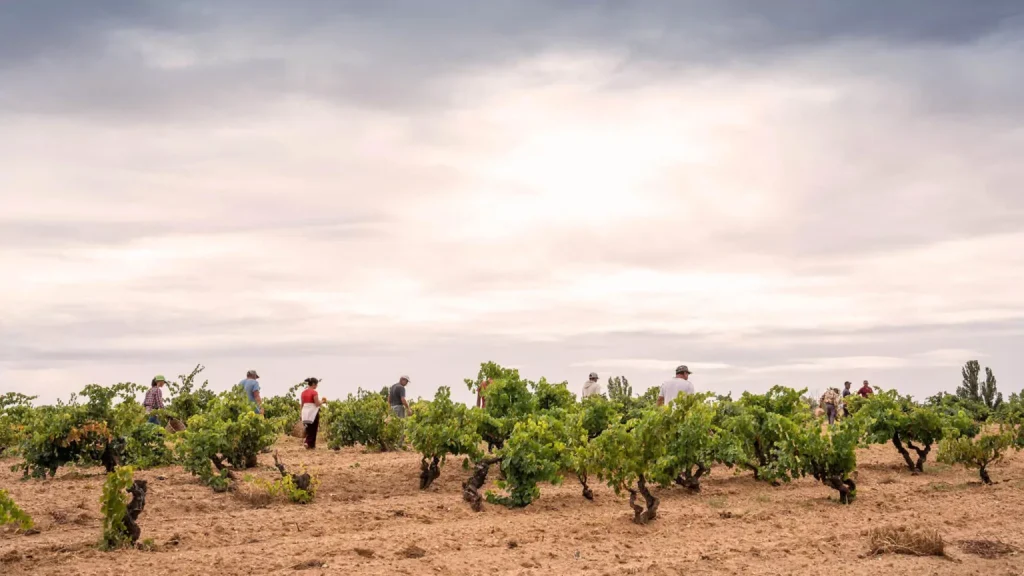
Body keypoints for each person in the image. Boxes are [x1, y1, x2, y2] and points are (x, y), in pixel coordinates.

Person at [300, 378, 326, 450]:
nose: (317, 386)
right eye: (316, 384)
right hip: (312, 412)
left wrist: (301, 414)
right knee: (314, 429)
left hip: (305, 412)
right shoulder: (314, 392)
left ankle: (310, 446)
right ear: (314, 384)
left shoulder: (303, 393)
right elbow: (317, 404)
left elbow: (302, 404)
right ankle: (308, 443)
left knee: (308, 429)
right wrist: (323, 401)